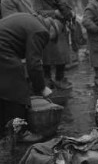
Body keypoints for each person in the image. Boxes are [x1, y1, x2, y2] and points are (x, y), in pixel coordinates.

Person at [0, 13, 58, 142]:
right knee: (17, 90)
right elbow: (34, 64)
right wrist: (41, 88)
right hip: (2, 50)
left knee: (3, 90)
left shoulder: (30, 19)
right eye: (51, 38)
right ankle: (20, 132)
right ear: (51, 28)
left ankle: (4, 131)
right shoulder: (41, 31)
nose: (47, 43)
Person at [32, 0, 73, 90]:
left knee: (62, 57)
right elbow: (37, 11)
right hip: (48, 31)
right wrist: (54, 12)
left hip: (61, 32)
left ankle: (59, 80)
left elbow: (67, 8)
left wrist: (69, 13)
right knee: (47, 59)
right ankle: (47, 81)